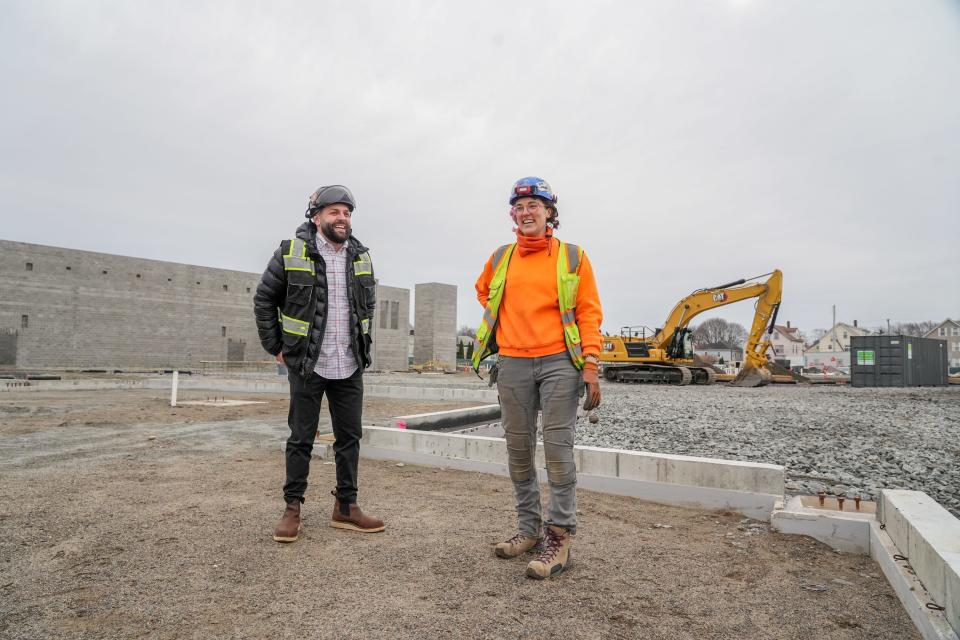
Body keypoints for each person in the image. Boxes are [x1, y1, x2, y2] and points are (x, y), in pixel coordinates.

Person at [472, 176, 603, 579]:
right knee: (518, 448)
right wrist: (513, 324)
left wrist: (591, 365)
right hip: (512, 363)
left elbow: (588, 311)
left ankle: (559, 538)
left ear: (550, 213)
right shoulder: (500, 258)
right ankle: (528, 530)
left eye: (535, 205)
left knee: (558, 450)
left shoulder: (573, 257)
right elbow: (484, 292)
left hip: (561, 363)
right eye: (519, 206)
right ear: (513, 213)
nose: (526, 212)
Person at [254, 185, 384, 542]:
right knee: (301, 438)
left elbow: (368, 304)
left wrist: (363, 343)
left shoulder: (361, 256)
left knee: (350, 438)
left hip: (349, 363)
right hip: (307, 363)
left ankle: (346, 507)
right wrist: (276, 347)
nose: (342, 218)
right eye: (334, 212)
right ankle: (292, 507)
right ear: (316, 217)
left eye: (346, 213)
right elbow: (264, 300)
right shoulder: (291, 251)